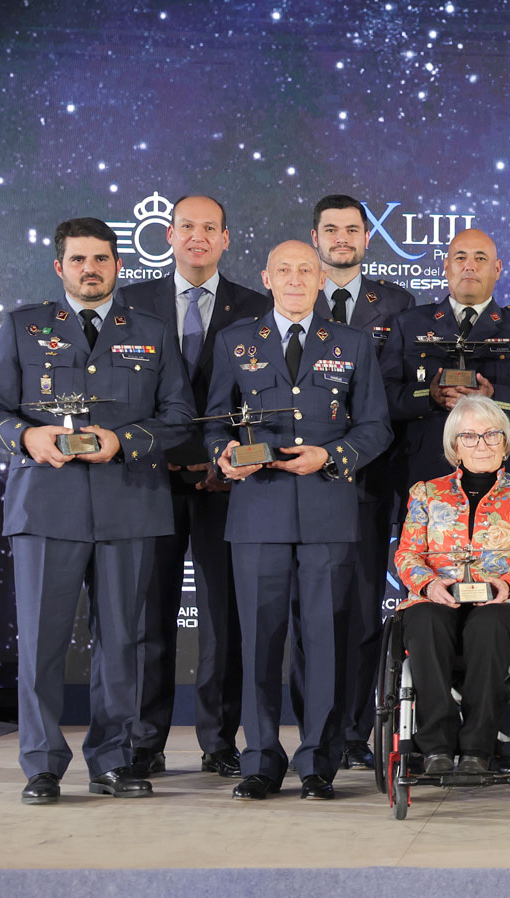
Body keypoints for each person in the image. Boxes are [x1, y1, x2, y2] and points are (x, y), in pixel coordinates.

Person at [0, 217, 194, 803]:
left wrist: (126, 441)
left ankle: (114, 760)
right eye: (78, 260)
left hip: (129, 505)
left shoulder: (150, 330)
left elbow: (177, 416)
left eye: (101, 259)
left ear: (119, 266)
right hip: (46, 506)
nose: (90, 269)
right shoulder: (24, 327)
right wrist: (25, 438)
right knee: (43, 642)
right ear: (59, 267)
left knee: (124, 641)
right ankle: (42, 764)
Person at [206, 240, 391, 801]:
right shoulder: (235, 341)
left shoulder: (353, 343)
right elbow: (215, 421)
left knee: (325, 641)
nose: (294, 278)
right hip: (256, 512)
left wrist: (330, 457)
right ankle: (260, 759)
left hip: (327, 511)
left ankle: (318, 761)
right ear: (266, 277)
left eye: (304, 270)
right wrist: (221, 455)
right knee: (259, 641)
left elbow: (376, 428)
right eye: (283, 270)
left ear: (320, 279)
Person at [119, 194, 270, 780]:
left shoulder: (257, 306)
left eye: (210, 228)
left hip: (225, 486)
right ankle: (144, 740)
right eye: (187, 227)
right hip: (146, 480)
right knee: (147, 617)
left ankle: (218, 739)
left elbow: (261, 399)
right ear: (168, 234)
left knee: (222, 620)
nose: (198, 237)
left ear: (227, 239)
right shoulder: (129, 303)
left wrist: (227, 459)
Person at [308, 193, 416, 771]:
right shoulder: (290, 293)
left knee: (362, 608)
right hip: (296, 484)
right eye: (331, 229)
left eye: (352, 229)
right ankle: (312, 732)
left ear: (367, 238)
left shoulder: (395, 303)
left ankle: (353, 730)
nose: (342, 239)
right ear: (315, 234)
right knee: (308, 614)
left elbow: (397, 392)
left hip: (370, 480)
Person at [393, 394, 510, 772]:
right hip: (439, 596)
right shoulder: (426, 493)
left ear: (506, 443)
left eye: (491, 435)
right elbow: (406, 555)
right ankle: (436, 746)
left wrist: (509, 586)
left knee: (487, 625)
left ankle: (477, 749)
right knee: (425, 621)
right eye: (469, 436)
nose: (481, 445)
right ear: (454, 445)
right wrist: (428, 584)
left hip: (504, 603)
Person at [383, 228, 510, 494]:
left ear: (497, 268)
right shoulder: (409, 324)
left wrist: (493, 397)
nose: (470, 266)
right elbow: (384, 399)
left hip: (504, 474)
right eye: (460, 258)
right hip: (426, 473)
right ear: (446, 267)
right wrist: (429, 395)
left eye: (480, 258)